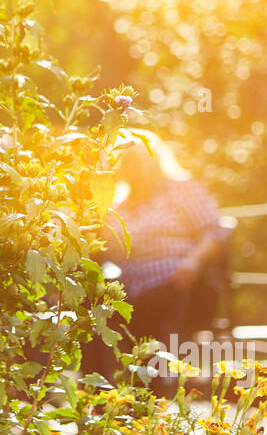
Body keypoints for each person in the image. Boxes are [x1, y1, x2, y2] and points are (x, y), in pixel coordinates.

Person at [85, 130, 229, 377]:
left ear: (152, 160)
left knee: (146, 314)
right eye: (124, 161)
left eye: (134, 161)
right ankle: (95, 393)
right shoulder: (117, 202)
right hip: (128, 286)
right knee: (90, 311)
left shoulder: (181, 189)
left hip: (176, 282)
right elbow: (104, 250)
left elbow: (213, 233)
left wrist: (192, 262)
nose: (128, 168)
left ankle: (149, 394)